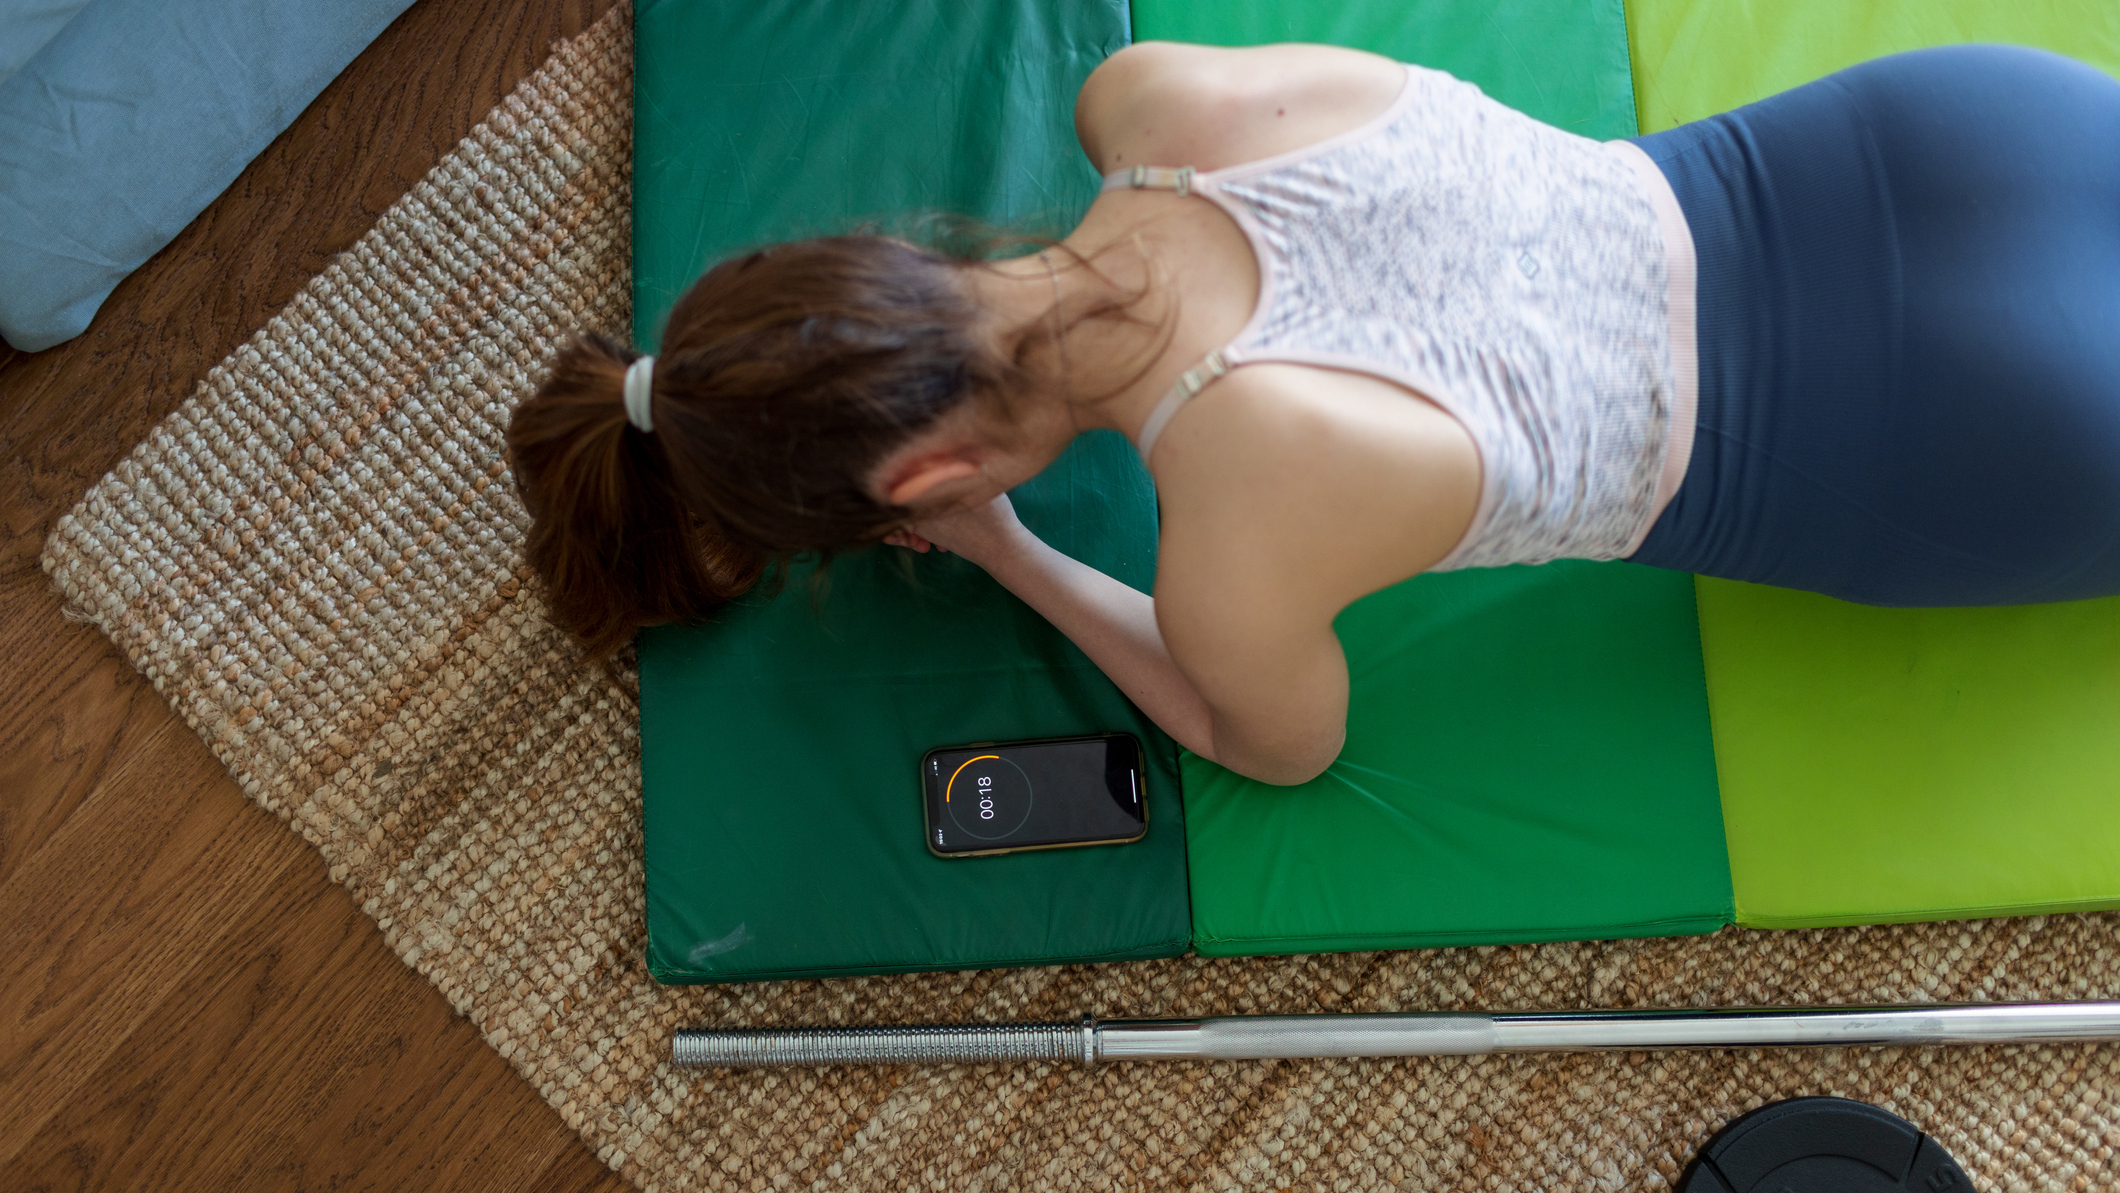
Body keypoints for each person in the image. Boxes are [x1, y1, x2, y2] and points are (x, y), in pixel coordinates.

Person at [506, 41, 2120, 786]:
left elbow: (1273, 746)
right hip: (1956, 129)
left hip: (1967, 427)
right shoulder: (1147, 105)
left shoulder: (1235, 528)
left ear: (923, 477)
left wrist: (1007, 556)